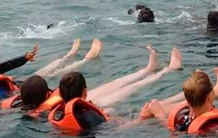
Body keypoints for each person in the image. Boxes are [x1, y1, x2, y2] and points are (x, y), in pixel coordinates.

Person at [48, 47, 183, 132]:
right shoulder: (91, 117)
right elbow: (120, 129)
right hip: (118, 126)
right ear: (85, 92)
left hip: (102, 124)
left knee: (116, 88)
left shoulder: (58, 115)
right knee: (152, 107)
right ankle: (169, 74)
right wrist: (142, 117)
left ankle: (151, 70)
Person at [141, 68, 218, 134]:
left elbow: (173, 131)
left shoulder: (182, 119)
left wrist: (159, 115)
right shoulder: (214, 123)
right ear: (209, 97)